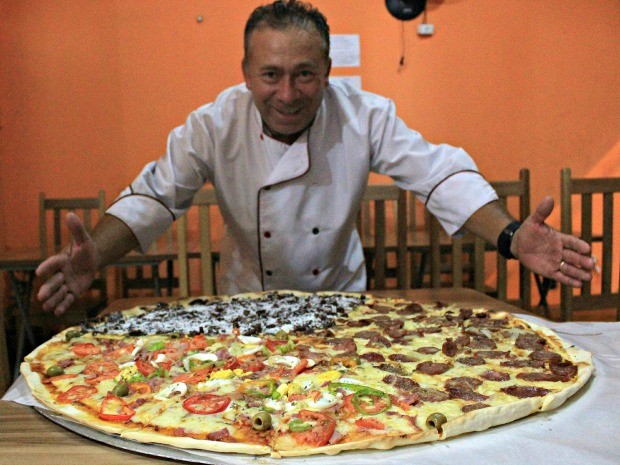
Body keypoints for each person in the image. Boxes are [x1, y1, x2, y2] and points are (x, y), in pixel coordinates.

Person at [36, 0, 594, 316]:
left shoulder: (365, 114)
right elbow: (155, 198)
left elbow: (440, 175)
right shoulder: (213, 124)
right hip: (246, 306)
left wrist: (511, 235)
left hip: (341, 304)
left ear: (327, 72)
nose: (287, 93)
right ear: (246, 73)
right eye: (270, 75)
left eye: (305, 74)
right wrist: (96, 257)